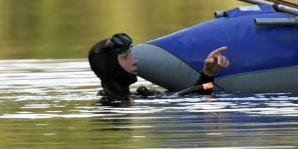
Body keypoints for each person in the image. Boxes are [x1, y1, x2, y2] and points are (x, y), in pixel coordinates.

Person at [87, 32, 229, 101]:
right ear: (111, 68)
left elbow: (197, 96)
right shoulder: (112, 104)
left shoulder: (139, 96)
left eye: (130, 55)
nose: (134, 61)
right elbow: (196, 97)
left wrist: (208, 73)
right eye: (125, 57)